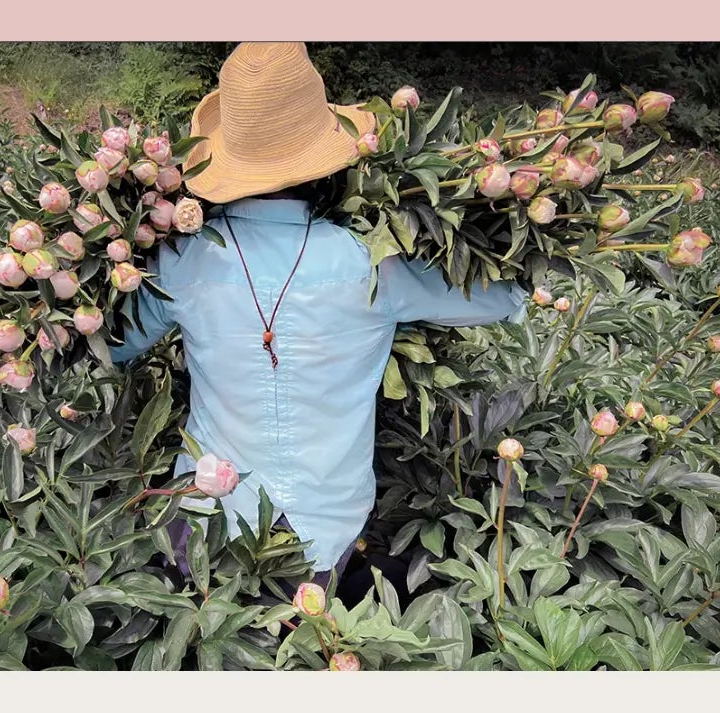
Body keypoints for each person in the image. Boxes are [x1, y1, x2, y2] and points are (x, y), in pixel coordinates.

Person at [108, 43, 527, 591]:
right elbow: (502, 297)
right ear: (324, 158)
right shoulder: (373, 263)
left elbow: (110, 344)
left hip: (207, 516)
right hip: (321, 531)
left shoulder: (183, 262)